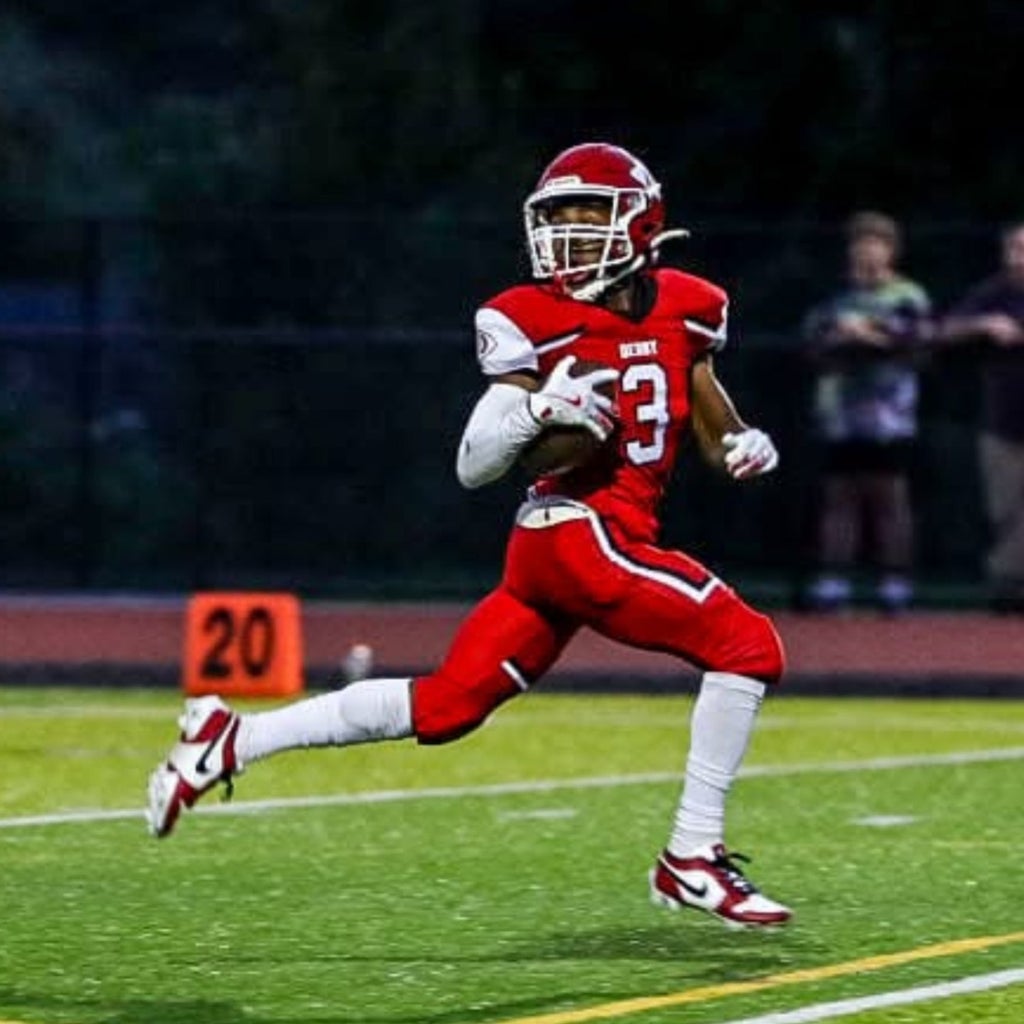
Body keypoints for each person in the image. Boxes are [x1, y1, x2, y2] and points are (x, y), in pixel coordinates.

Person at [146, 142, 791, 929]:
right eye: (557, 216)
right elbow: (474, 465)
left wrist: (743, 442)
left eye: (589, 214)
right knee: (747, 646)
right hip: (577, 532)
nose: (569, 233)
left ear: (642, 221)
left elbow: (709, 414)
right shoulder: (528, 316)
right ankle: (692, 854)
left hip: (573, 545)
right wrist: (538, 412)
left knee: (448, 705)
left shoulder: (690, 305)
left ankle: (233, 738)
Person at [802, 211, 933, 613]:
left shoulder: (908, 296)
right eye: (860, 244)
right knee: (840, 497)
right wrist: (845, 334)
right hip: (841, 417)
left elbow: (914, 337)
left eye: (876, 244)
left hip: (890, 418)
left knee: (890, 497)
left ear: (891, 251)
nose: (867, 252)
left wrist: (866, 333)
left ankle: (895, 583)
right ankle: (833, 582)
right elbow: (815, 339)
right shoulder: (838, 298)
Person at [937, 221, 1024, 612]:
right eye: (1016, 248)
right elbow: (944, 329)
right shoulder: (992, 293)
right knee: (1005, 508)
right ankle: (1008, 588)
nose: (1020, 257)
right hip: (1002, 422)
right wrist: (984, 324)